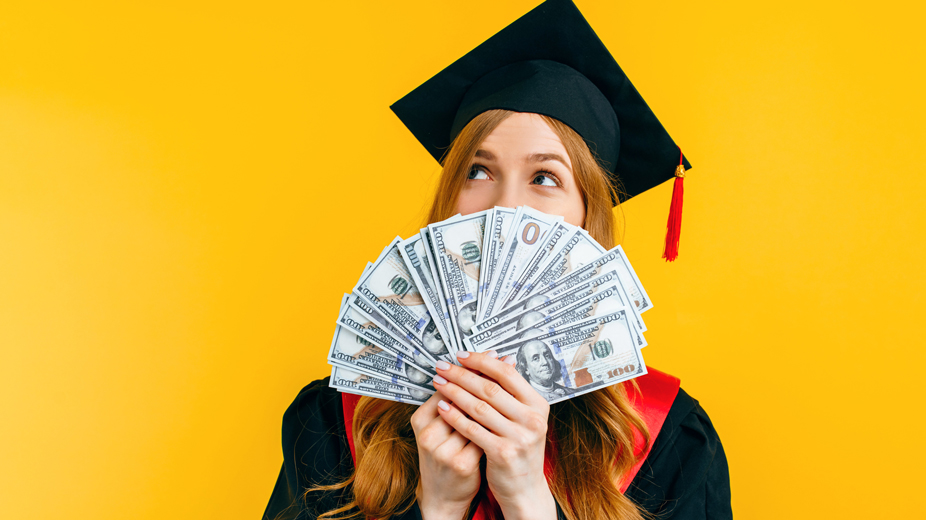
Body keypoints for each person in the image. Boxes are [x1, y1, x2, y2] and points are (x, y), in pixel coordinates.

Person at [263, 1, 730, 520]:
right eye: (478, 171)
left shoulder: (667, 439)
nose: (506, 207)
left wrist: (528, 502)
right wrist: (438, 508)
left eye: (545, 178)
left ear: (586, 218)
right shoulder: (339, 421)